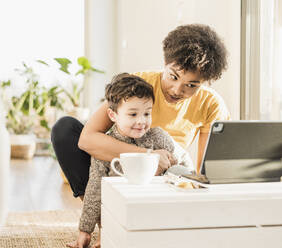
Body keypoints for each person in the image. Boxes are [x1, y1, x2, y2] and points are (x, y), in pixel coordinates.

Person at [51, 23, 230, 246]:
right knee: (65, 130)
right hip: (116, 167)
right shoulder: (138, 85)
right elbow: (87, 139)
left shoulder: (211, 104)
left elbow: (205, 172)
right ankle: (106, 221)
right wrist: (147, 155)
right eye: (173, 77)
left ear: (205, 82)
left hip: (164, 179)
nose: (177, 90)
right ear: (164, 64)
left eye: (191, 85)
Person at [66, 73, 193, 248]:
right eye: (133, 114)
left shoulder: (160, 137)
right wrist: (84, 231)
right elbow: (95, 189)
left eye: (147, 113)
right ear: (113, 115)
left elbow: (182, 167)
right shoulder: (105, 149)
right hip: (121, 214)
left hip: (156, 212)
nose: (141, 121)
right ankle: (108, 230)